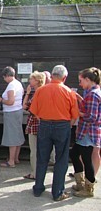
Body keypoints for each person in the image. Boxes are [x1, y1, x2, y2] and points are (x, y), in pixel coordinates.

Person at [30, 65, 79, 201]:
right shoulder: (69, 92)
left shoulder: (41, 90)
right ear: (64, 77)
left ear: (51, 75)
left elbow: (34, 111)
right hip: (62, 125)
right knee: (61, 159)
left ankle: (38, 187)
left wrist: (44, 120)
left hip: (45, 124)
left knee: (42, 157)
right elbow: (74, 115)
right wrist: (67, 125)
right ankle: (57, 192)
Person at [70, 67, 101, 198]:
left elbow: (91, 117)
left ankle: (88, 188)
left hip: (88, 132)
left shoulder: (93, 94)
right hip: (86, 131)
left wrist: (77, 112)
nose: (80, 83)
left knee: (86, 160)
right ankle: (81, 182)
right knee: (74, 154)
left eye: (81, 80)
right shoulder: (93, 92)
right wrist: (79, 98)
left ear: (88, 80)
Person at [0, 66, 24, 168]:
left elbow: (10, 101)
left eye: (4, 77)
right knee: (18, 135)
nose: (4, 79)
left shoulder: (11, 86)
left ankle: (11, 161)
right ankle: (16, 158)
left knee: (12, 137)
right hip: (18, 111)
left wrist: (0, 100)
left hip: (11, 112)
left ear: (7, 76)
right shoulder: (18, 84)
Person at [23, 71, 46, 180]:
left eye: (31, 79)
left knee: (34, 151)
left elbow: (25, 106)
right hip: (44, 124)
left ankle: (34, 173)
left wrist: (27, 93)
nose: (29, 81)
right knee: (41, 150)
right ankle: (39, 172)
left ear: (36, 81)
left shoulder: (37, 92)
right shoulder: (45, 91)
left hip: (35, 124)